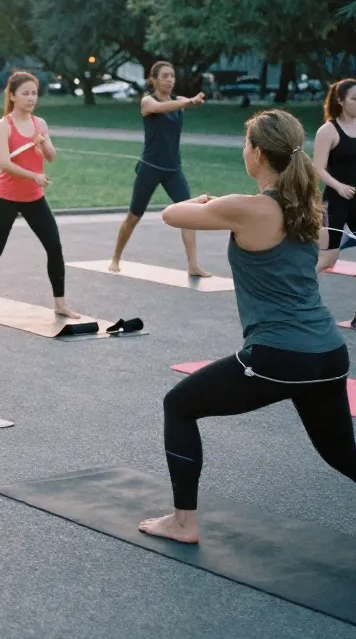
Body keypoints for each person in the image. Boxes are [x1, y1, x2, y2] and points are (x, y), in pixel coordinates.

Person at [138, 109, 356, 545]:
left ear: (257, 153)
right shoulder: (306, 207)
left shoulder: (248, 208)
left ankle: (184, 522)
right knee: (341, 454)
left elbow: (171, 214)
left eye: (245, 145)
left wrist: (201, 201)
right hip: (329, 352)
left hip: (280, 355)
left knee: (179, 404)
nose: (244, 151)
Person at [0, 71, 80, 318]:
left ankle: (60, 304)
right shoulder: (3, 125)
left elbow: (51, 157)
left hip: (34, 198)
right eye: (25, 93)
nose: (31, 98)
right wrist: (34, 176)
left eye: (34, 94)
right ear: (13, 96)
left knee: (55, 247)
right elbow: (4, 164)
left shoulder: (40, 124)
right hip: (7, 196)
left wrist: (43, 143)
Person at [109, 61, 210, 276]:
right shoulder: (148, 101)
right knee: (134, 215)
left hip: (173, 169)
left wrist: (195, 100)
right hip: (150, 168)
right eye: (164, 76)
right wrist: (187, 102)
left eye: (172, 76)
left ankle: (193, 265)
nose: (170, 80)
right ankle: (115, 258)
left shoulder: (179, 101)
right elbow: (158, 108)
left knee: (188, 213)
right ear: (153, 80)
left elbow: (188, 104)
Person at [312, 78, 356, 273]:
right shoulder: (328, 131)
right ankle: (295, 290)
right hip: (336, 201)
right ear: (340, 100)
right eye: (355, 99)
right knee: (328, 259)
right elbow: (318, 168)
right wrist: (339, 186)